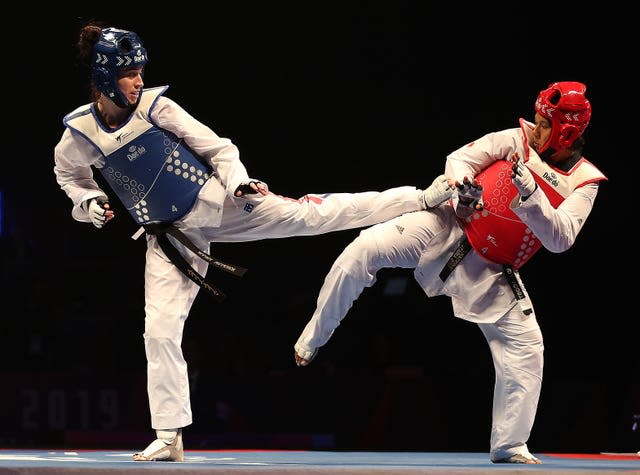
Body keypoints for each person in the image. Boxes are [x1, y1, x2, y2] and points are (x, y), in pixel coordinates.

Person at [53, 23, 451, 462]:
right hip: (168, 239)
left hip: (217, 202)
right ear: (106, 76)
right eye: (130, 73)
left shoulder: (156, 107)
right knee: (159, 331)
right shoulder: (78, 134)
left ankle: (420, 196)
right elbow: (70, 177)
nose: (139, 80)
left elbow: (221, 149)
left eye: (141, 71)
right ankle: (169, 435)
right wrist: (88, 202)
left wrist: (239, 183)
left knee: (311, 216)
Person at [293, 81, 607, 464]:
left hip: (491, 268)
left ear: (567, 130)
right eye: (538, 120)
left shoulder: (584, 181)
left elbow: (561, 238)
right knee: (361, 251)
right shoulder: (515, 139)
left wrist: (532, 198)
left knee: (526, 349)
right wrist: (463, 186)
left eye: (545, 124)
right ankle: (312, 339)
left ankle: (509, 444)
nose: (535, 129)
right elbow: (459, 158)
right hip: (445, 227)